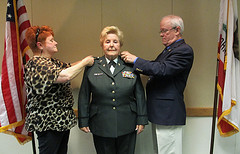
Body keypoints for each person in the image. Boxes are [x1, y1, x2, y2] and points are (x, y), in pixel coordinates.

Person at [121, 15, 194, 154]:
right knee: (161, 150)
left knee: (168, 151)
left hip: (168, 112)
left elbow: (162, 69)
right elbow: (155, 66)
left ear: (177, 30)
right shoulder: (169, 50)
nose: (161, 35)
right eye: (160, 31)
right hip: (161, 112)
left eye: (164, 31)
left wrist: (135, 60)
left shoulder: (183, 50)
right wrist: (133, 63)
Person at [24, 25, 94, 154]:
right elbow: (65, 75)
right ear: (40, 45)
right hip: (48, 124)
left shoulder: (51, 62)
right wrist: (85, 62)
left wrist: (93, 61)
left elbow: (68, 67)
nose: (55, 42)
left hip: (60, 122)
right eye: (51, 40)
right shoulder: (37, 65)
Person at [78, 26, 148, 154]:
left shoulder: (131, 65)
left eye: (115, 42)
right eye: (107, 41)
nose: (111, 45)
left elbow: (139, 94)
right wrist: (83, 120)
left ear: (120, 45)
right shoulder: (92, 66)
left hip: (127, 122)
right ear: (102, 44)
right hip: (101, 123)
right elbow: (84, 95)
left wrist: (142, 119)